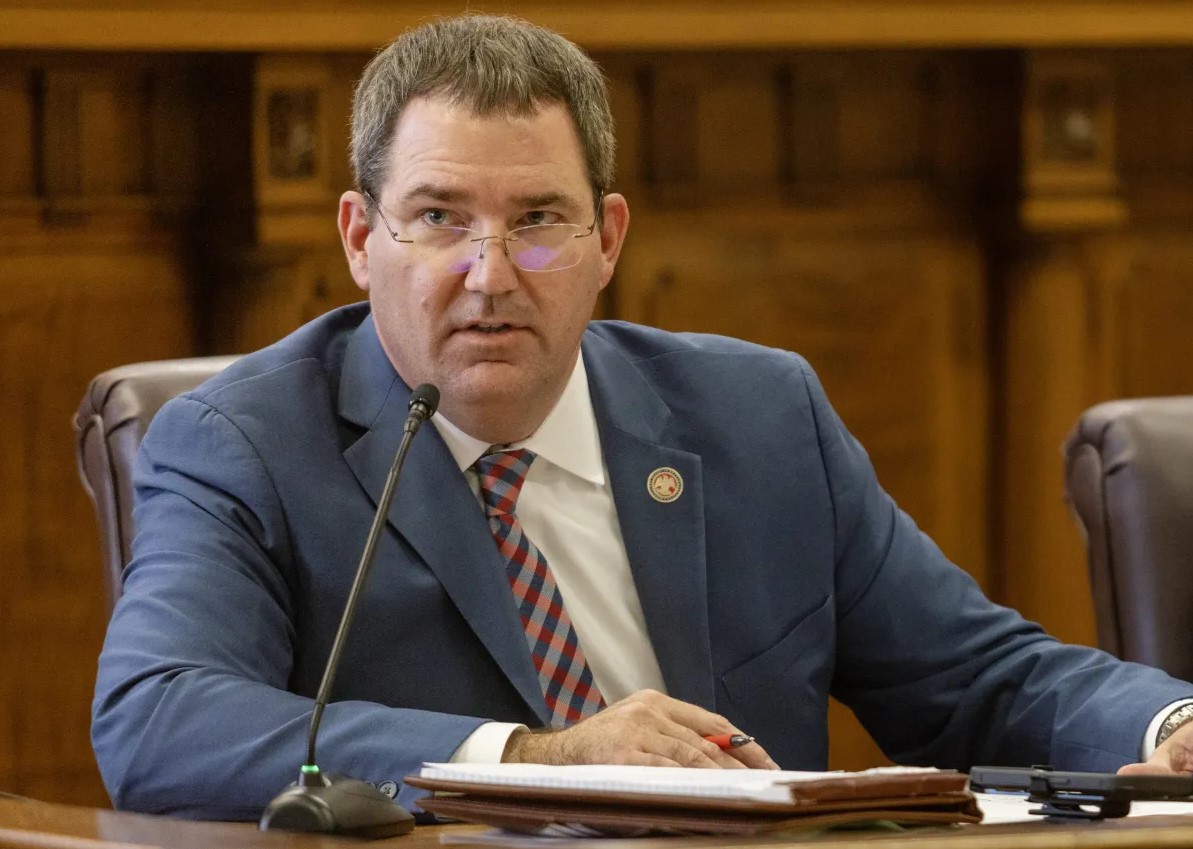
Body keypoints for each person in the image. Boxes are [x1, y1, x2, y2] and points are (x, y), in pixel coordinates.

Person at [92, 13, 1193, 821]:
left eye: (538, 220)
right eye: (437, 218)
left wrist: (1167, 726)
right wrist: (537, 757)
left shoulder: (756, 417)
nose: (489, 273)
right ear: (357, 238)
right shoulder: (245, 443)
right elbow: (158, 719)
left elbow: (980, 679)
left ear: (607, 239)